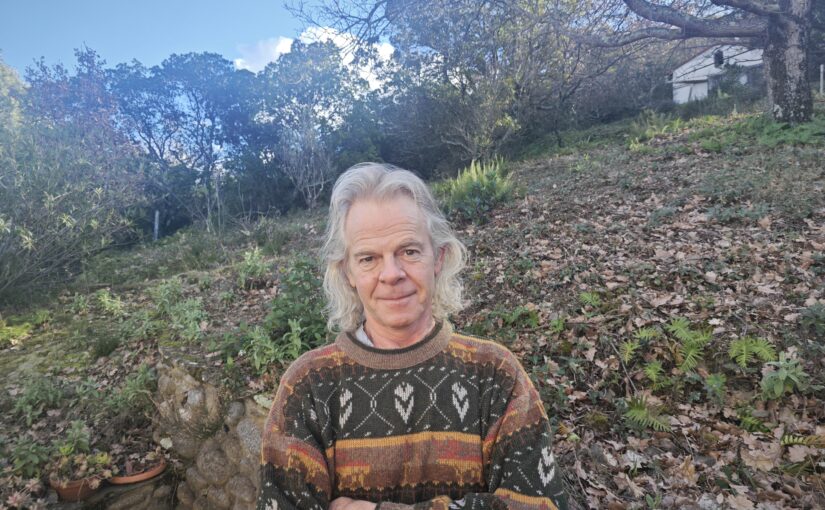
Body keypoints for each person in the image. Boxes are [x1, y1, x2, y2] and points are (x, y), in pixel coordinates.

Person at [257, 163, 568, 510]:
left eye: (409, 251)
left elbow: (542, 505)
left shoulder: (496, 375)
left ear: (439, 257)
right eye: (369, 258)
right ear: (348, 273)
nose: (391, 274)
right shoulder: (308, 386)